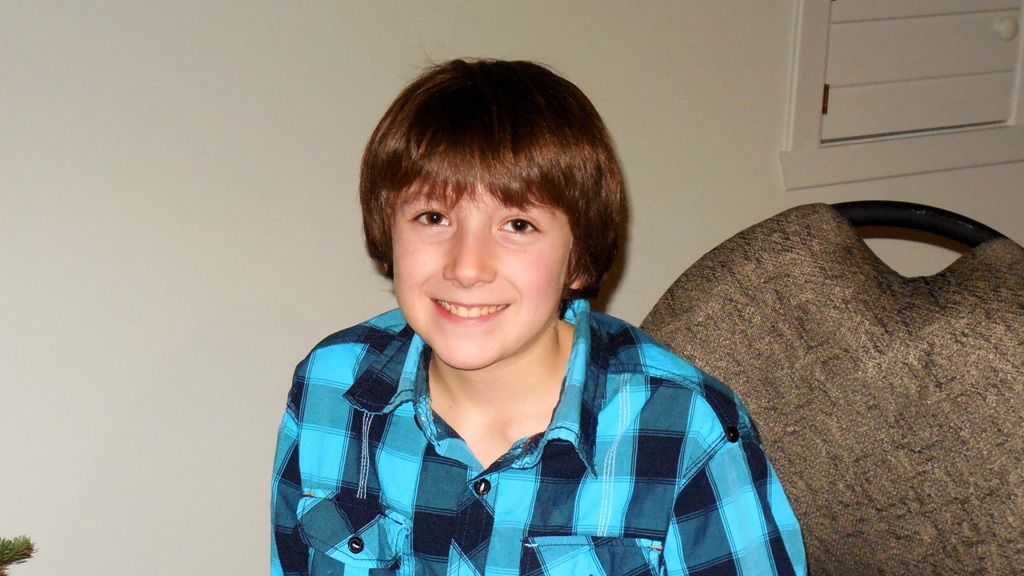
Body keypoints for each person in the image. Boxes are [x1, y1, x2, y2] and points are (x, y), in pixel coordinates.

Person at [271, 58, 806, 575]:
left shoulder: (688, 428)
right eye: (433, 217)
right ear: (387, 231)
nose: (466, 268)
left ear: (578, 259)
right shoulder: (329, 388)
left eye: (518, 225)